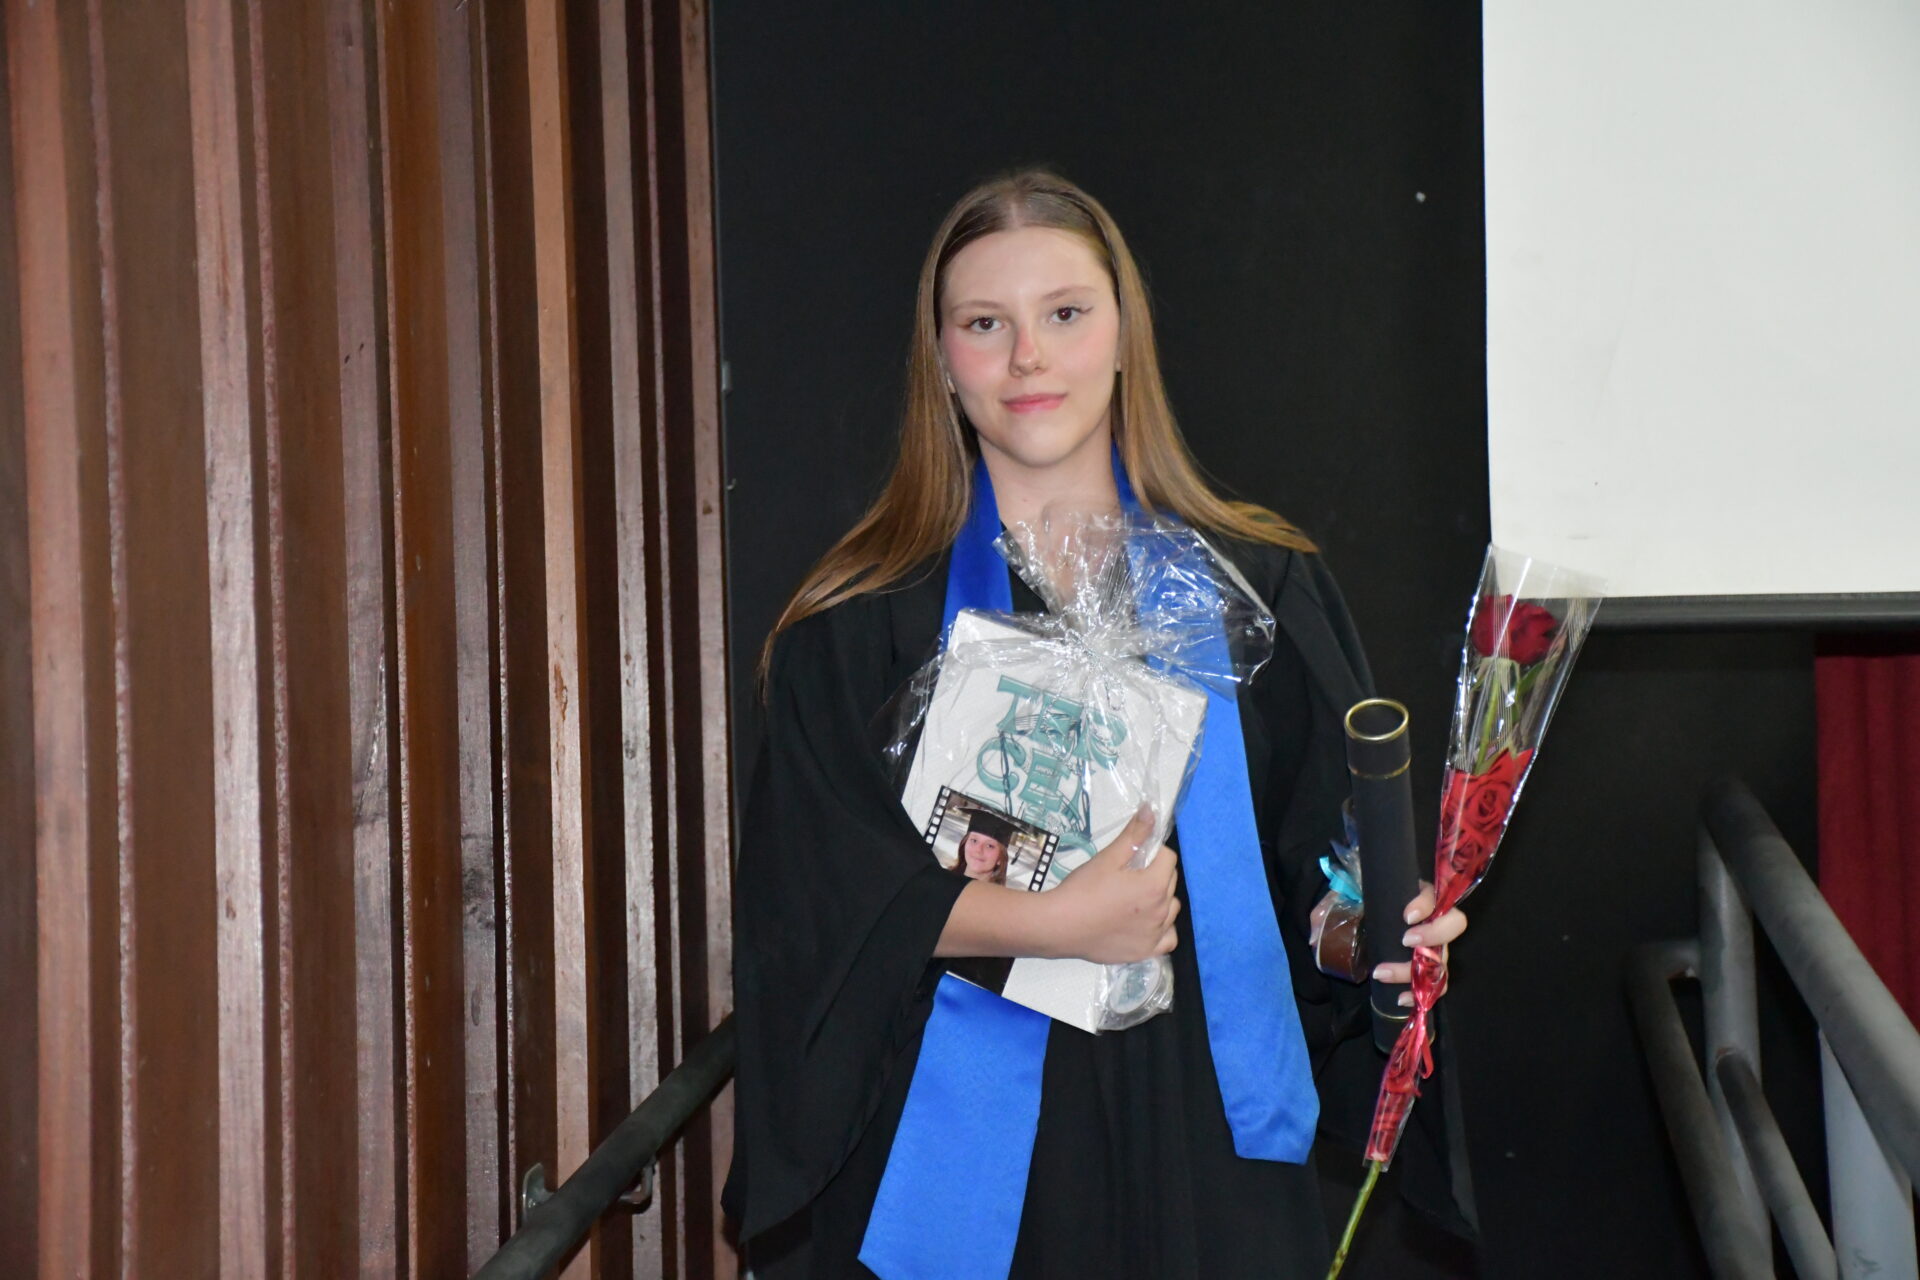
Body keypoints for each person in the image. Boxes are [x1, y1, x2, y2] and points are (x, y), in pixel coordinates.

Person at [726, 169, 1474, 1279]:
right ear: (942, 361)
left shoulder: (1257, 590)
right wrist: (1051, 922)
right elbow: (814, 907)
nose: (1029, 357)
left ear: (1126, 337)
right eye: (987, 324)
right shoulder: (859, 623)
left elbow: (1320, 883)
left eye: (1066, 313)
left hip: (1209, 1153)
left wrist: (1373, 939)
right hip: (957, 1165)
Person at [955, 809, 1014, 884]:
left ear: (1000, 858)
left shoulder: (998, 892)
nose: (978, 850)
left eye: (989, 846)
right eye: (974, 840)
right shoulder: (943, 881)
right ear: (964, 845)